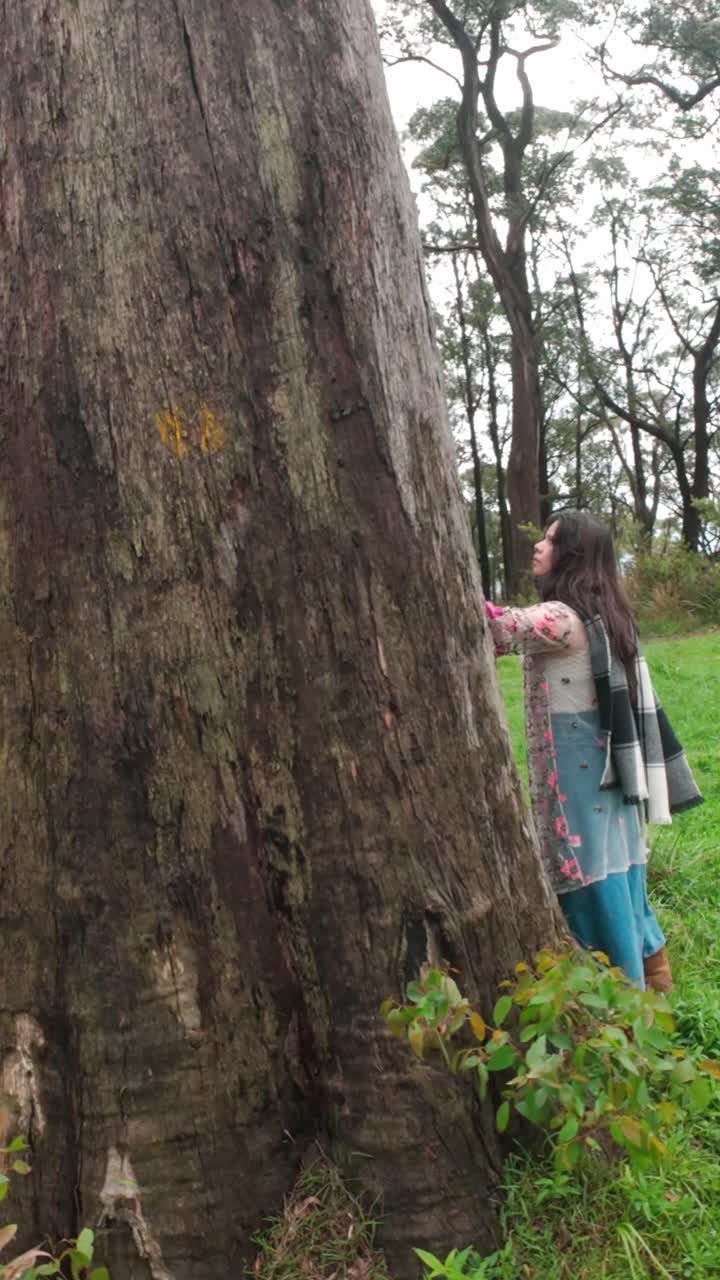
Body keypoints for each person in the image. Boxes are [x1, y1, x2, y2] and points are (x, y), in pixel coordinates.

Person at [484, 511, 703, 991]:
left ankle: (620, 1002)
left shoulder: (562, 618)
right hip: (611, 767)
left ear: (573, 557)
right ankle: (653, 978)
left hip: (580, 771)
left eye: (550, 541)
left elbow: (496, 628)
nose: (538, 548)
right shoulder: (609, 615)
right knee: (620, 867)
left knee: (586, 874)